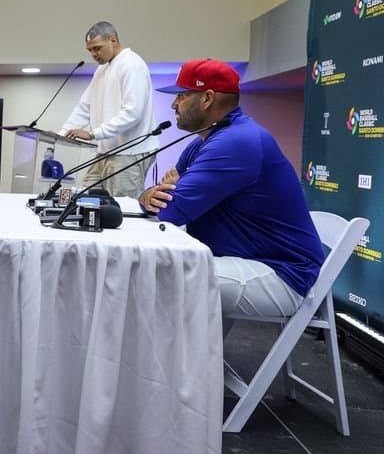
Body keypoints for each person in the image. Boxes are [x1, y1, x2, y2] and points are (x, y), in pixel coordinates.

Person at [137, 58, 324, 323]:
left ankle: (174, 365)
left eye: (181, 96)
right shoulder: (210, 137)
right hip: (244, 259)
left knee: (154, 273)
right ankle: (189, 363)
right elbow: (170, 192)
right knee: (156, 266)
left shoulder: (236, 142)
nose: (173, 104)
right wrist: (152, 195)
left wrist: (149, 196)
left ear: (207, 99)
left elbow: (171, 208)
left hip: (281, 274)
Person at [60, 21, 159, 197]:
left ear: (113, 40)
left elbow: (132, 113)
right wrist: (62, 134)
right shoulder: (102, 69)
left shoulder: (131, 65)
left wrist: (92, 134)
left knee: (122, 209)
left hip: (129, 151)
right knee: (85, 199)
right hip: (105, 150)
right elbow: (85, 106)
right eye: (90, 50)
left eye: (97, 48)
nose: (93, 54)